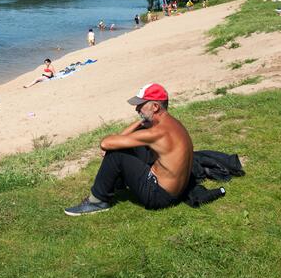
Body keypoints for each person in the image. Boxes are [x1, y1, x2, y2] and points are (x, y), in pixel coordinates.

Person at [64, 83, 193, 216]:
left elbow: (105, 143)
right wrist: (141, 122)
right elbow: (119, 140)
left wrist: (112, 146)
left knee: (117, 154)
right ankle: (117, 183)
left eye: (141, 105)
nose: (137, 109)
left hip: (158, 196)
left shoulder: (157, 133)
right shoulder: (172, 124)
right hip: (175, 191)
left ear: (155, 106)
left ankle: (97, 201)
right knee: (126, 145)